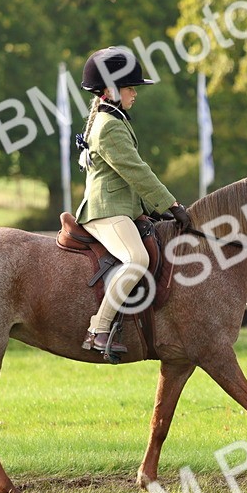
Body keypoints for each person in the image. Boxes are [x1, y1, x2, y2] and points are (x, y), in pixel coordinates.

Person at [74, 46, 192, 357]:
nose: (134, 94)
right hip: (106, 211)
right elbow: (136, 172)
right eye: (130, 87)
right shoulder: (109, 126)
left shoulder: (113, 118)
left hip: (122, 208)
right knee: (136, 259)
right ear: (111, 89)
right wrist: (170, 204)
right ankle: (99, 329)